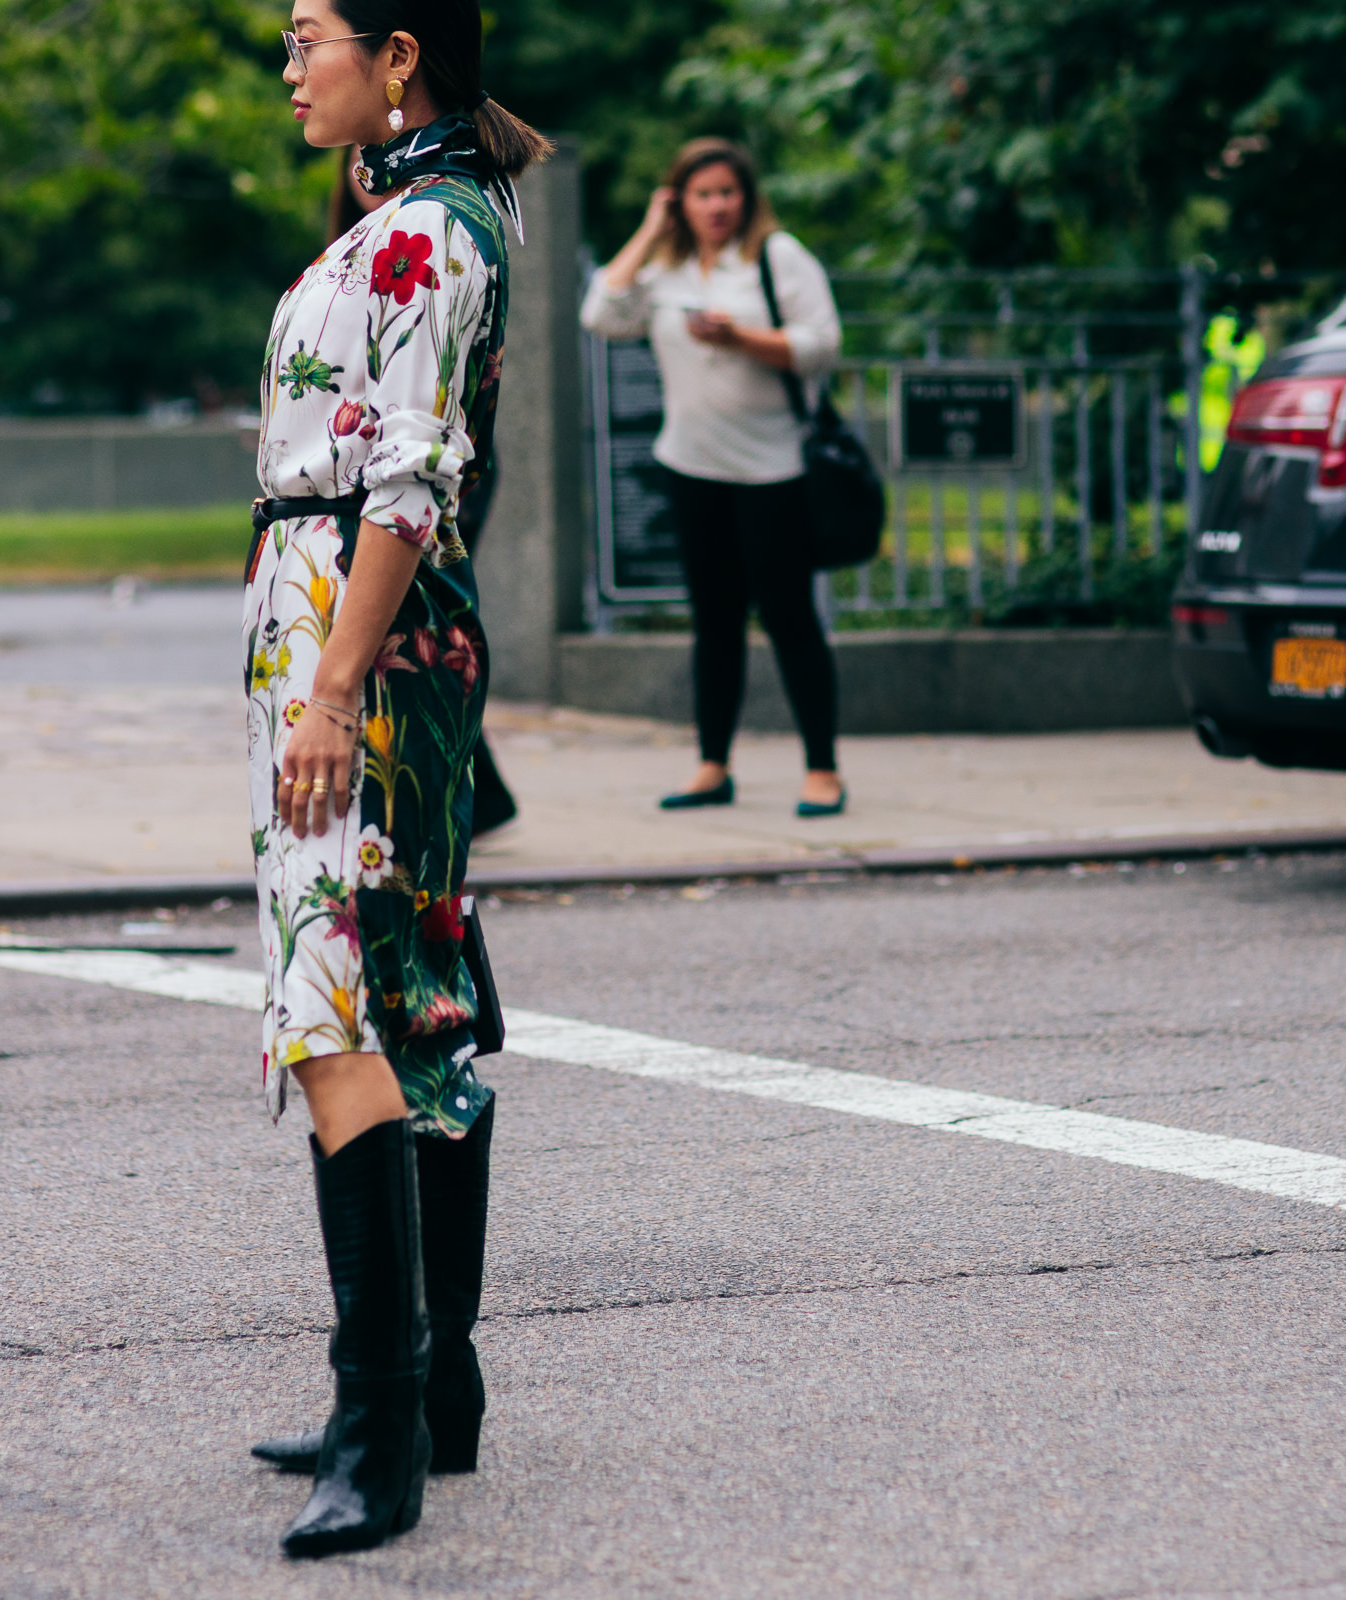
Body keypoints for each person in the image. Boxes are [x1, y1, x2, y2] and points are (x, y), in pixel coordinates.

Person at [244, 0, 547, 1558]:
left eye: (308, 34)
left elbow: (408, 480)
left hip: (359, 641)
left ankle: (382, 1430)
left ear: (400, 50)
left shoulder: (429, 233)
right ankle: (434, 1392)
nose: (290, 65)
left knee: (332, 1005)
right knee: (410, 998)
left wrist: (331, 686)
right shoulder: (409, 214)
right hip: (359, 632)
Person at [580, 139, 848, 817]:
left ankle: (822, 769)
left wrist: (742, 341)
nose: (717, 205)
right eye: (701, 194)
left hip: (775, 469)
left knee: (791, 621)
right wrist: (648, 230)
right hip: (692, 468)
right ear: (680, 201)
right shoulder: (667, 270)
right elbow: (601, 314)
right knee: (715, 624)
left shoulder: (777, 258)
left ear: (747, 197)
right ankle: (712, 765)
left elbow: (823, 347)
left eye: (728, 192)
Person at [326, 146, 519, 836]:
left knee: (418, 620)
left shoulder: (433, 234)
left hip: (410, 489)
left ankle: (464, 788)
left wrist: (331, 692)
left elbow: (413, 463)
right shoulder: (345, 256)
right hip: (365, 504)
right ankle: (474, 790)